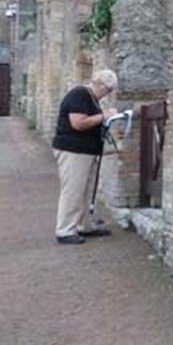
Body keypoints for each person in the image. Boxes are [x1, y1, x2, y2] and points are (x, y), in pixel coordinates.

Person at [52, 69, 118, 244]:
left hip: (86, 151)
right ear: (100, 85)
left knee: (86, 190)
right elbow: (78, 123)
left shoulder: (91, 98)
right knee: (73, 190)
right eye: (108, 90)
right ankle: (65, 230)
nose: (107, 94)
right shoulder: (79, 95)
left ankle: (84, 225)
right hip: (74, 150)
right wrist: (103, 116)